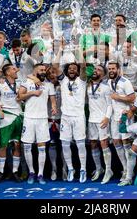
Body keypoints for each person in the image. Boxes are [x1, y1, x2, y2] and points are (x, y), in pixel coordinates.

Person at [53, 45, 88, 183]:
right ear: (67, 70)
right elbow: (55, 66)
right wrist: (60, 51)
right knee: (65, 144)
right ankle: (71, 169)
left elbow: (84, 66)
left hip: (79, 116)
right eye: (70, 68)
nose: (72, 69)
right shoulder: (63, 80)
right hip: (65, 117)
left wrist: (77, 51)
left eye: (75, 68)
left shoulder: (82, 80)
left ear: (77, 70)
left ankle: (83, 169)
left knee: (80, 144)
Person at [19, 63, 57, 184]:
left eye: (44, 70)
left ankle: (40, 174)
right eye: (40, 69)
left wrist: (54, 107)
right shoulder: (26, 82)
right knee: (27, 146)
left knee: (42, 147)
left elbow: (52, 100)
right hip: (29, 118)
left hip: (42, 119)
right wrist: (32, 93)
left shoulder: (49, 85)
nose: (43, 71)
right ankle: (31, 172)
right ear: (35, 71)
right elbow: (19, 97)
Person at [0, 64, 24, 183]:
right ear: (7, 72)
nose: (16, 70)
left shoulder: (21, 82)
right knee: (3, 145)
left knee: (17, 144)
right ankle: (1, 171)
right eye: (13, 69)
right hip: (5, 116)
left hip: (18, 115)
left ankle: (15, 171)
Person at [107, 61, 136, 185]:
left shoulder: (125, 82)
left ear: (118, 69)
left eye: (113, 68)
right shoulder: (109, 81)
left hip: (125, 117)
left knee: (126, 144)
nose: (111, 70)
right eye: (109, 69)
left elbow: (132, 98)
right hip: (115, 117)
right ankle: (125, 168)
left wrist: (118, 97)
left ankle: (129, 172)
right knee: (116, 142)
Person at [87, 64, 114, 184]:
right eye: (95, 69)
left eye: (99, 70)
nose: (95, 71)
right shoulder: (88, 85)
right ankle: (99, 168)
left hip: (102, 119)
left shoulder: (106, 87)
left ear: (103, 74)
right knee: (93, 144)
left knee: (104, 144)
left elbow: (110, 104)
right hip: (91, 119)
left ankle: (108, 170)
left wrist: (107, 117)